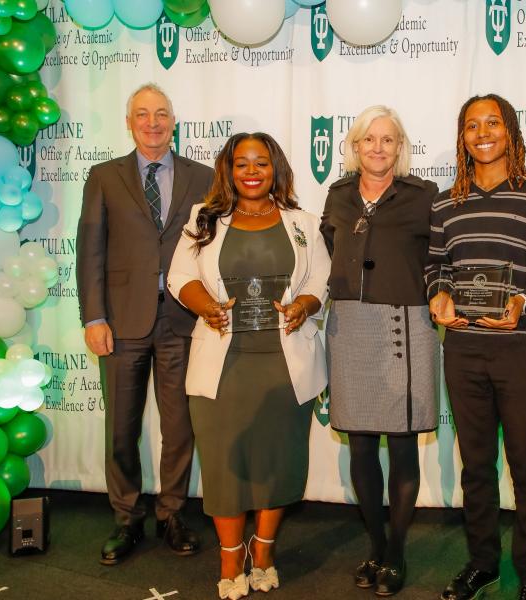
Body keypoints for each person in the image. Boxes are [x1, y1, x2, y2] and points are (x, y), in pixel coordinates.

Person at [167, 132, 329, 600]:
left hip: (284, 363)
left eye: (261, 163)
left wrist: (305, 302)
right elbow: (180, 275)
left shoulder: (303, 222)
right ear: (229, 170)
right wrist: (205, 307)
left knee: (276, 464)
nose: (252, 171)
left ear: (275, 168)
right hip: (222, 362)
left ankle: (263, 551)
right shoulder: (205, 219)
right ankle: (228, 556)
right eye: (242, 163)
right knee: (224, 465)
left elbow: (322, 276)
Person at [425, 94, 526, 600]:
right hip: (463, 349)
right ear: (461, 137)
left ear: (511, 132)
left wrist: (523, 300)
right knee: (476, 464)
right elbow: (435, 266)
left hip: (524, 349)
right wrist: (438, 295)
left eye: (492, 123)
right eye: (471, 125)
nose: (482, 133)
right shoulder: (445, 203)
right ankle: (482, 563)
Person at [77, 83, 213, 565]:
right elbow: (90, 250)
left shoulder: (204, 177)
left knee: (179, 428)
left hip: (182, 321)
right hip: (121, 322)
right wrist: (94, 316)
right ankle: (126, 517)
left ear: (174, 122)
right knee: (121, 428)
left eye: (161, 114)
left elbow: (215, 249)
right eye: (142, 114)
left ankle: (172, 513)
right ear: (130, 122)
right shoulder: (104, 177)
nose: (152, 122)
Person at [320, 105, 440, 597]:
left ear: (400, 147)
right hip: (350, 326)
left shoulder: (423, 196)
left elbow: (440, 258)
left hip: (405, 326)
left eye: (388, 140)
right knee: (362, 447)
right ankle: (374, 544)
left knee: (404, 445)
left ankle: (395, 552)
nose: (378, 147)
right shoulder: (338, 195)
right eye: (369, 139)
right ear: (354, 145)